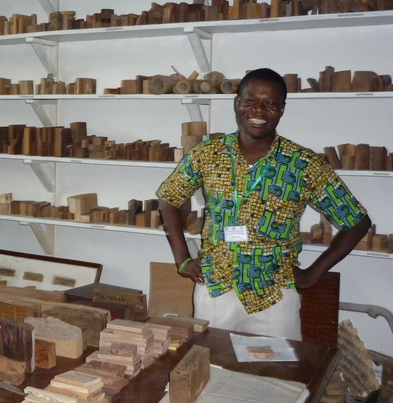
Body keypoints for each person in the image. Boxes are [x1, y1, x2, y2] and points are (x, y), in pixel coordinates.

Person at [157, 68, 371, 340]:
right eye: (250, 100)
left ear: (281, 109)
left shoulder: (303, 164)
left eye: (270, 103)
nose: (258, 110)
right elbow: (168, 198)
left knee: (277, 374)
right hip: (215, 289)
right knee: (210, 368)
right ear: (238, 103)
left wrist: (312, 275)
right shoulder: (207, 154)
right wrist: (182, 259)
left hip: (274, 295)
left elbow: (357, 221)